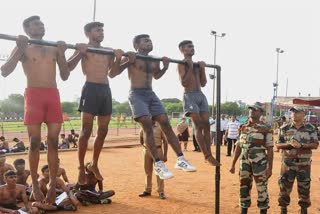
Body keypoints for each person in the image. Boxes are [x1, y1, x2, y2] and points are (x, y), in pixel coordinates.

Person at [1, 15, 70, 204]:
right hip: (33, 95)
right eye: (36, 24)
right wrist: (19, 49)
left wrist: (63, 53)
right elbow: (5, 71)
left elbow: (64, 75)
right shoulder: (24, 46)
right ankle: (36, 185)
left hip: (52, 95)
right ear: (27, 29)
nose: (41, 26)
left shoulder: (54, 47)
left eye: (42, 24)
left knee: (54, 142)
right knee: (34, 142)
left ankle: (53, 185)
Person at [109, 34, 196, 179]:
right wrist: (123, 60)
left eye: (150, 40)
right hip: (136, 94)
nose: (149, 42)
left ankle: (180, 159)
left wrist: (165, 68)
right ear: (136, 45)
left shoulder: (154, 59)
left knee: (166, 123)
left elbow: (156, 76)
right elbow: (112, 74)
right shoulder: (131, 56)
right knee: (147, 125)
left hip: (151, 94)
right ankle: (158, 164)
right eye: (146, 41)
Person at [67, 22, 122, 185]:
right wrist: (80, 53)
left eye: (102, 30)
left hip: (105, 89)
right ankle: (80, 168)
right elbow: (68, 67)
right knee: (85, 130)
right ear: (88, 33)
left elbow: (113, 73)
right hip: (90, 88)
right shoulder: (83, 47)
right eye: (98, 30)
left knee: (103, 130)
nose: (101, 32)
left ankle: (94, 164)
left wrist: (118, 58)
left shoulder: (108, 51)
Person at [177, 40, 219, 166]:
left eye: (193, 46)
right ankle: (205, 154)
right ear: (183, 50)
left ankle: (209, 154)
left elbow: (204, 83)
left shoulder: (196, 64)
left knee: (206, 125)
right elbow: (184, 82)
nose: (192, 48)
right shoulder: (181, 64)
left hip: (200, 95)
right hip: (189, 95)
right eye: (189, 47)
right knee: (198, 125)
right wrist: (189, 67)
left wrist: (202, 69)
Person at [229, 102, 273, 214]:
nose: (252, 111)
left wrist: (270, 168)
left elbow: (270, 149)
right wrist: (233, 164)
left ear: (260, 112)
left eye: (255, 109)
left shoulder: (266, 128)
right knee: (243, 187)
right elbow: (238, 146)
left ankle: (263, 211)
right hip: (244, 162)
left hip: (260, 163)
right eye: (250, 109)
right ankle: (243, 211)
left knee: (261, 188)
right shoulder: (243, 127)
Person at [276, 106, 319, 214]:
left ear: (303, 114)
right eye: (293, 112)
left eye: (297, 112)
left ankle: (303, 210)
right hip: (287, 165)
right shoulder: (284, 128)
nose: (294, 114)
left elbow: (315, 144)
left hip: (304, 165)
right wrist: (289, 145)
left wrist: (302, 145)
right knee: (284, 189)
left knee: (304, 189)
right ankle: (283, 210)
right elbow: (278, 145)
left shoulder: (310, 128)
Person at [139, 121, 168, 199]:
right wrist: (146, 148)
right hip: (147, 151)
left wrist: (165, 155)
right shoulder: (143, 126)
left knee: (160, 172)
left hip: (158, 150)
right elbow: (141, 139)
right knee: (147, 172)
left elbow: (165, 141)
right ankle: (147, 190)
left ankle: (161, 191)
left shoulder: (160, 127)